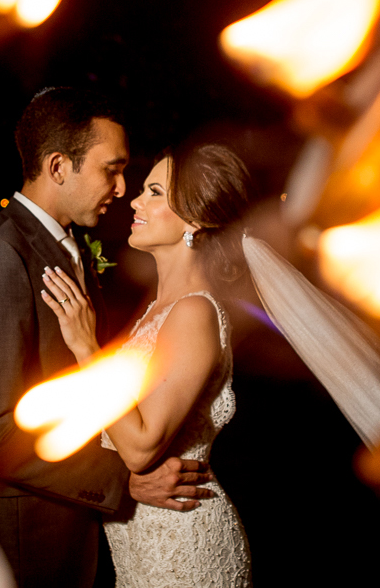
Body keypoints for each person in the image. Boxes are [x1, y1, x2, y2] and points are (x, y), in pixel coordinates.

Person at [0, 88, 214, 588]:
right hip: (27, 540)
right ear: (59, 166)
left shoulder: (68, 250)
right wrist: (122, 481)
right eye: (110, 169)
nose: (120, 187)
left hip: (83, 536)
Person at [42, 142, 254, 588]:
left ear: (194, 220)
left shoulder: (194, 312)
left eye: (154, 192)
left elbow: (140, 449)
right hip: (141, 548)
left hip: (184, 550)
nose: (135, 201)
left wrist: (86, 349)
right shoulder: (158, 308)